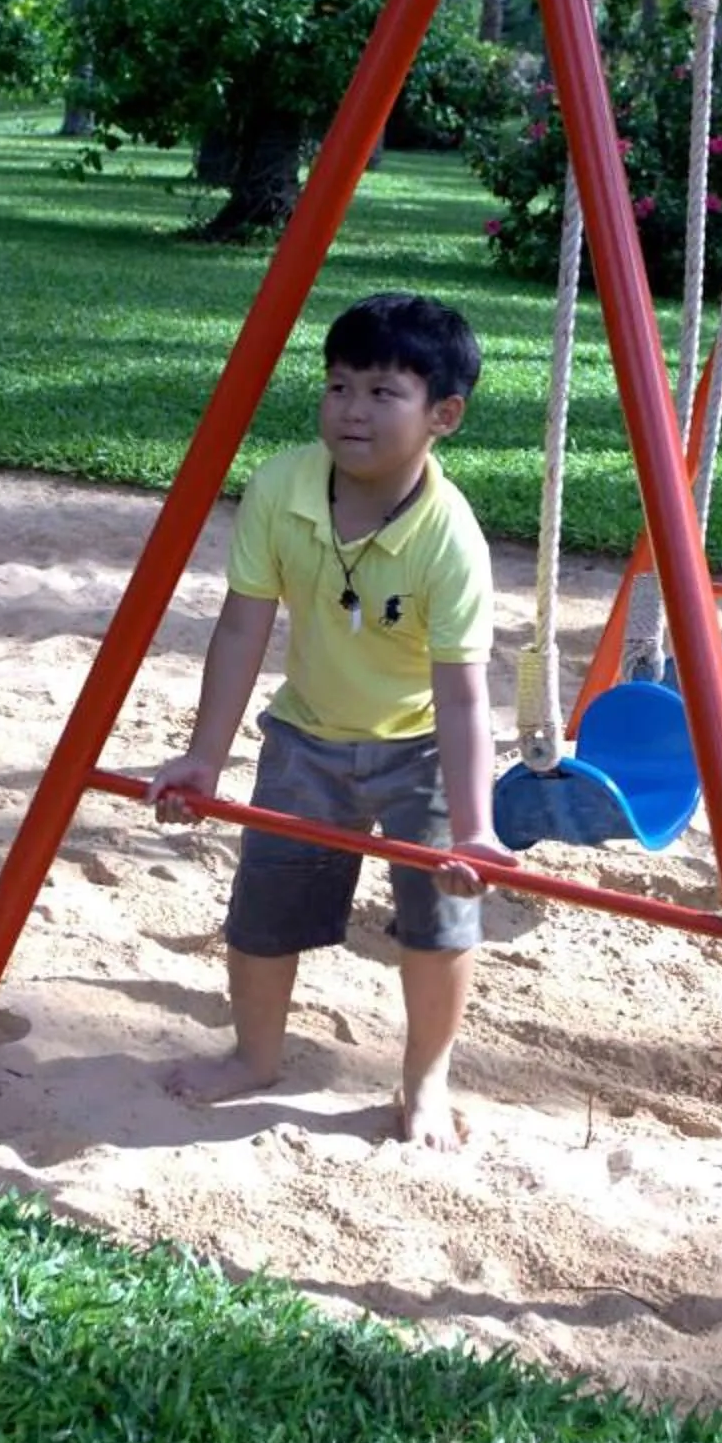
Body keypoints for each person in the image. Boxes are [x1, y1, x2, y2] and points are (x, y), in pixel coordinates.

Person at [142, 292, 506, 1151]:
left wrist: (478, 825)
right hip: (305, 733)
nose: (352, 410)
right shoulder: (282, 486)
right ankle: (254, 1055)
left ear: (443, 415)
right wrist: (205, 756)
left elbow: (462, 694)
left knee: (440, 918)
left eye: (384, 393)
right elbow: (242, 627)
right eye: (339, 386)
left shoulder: (450, 539)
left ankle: (424, 1079)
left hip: (419, 746)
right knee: (264, 910)